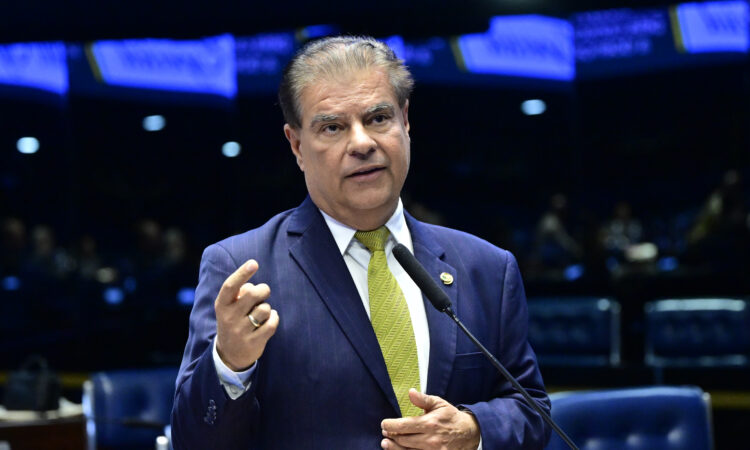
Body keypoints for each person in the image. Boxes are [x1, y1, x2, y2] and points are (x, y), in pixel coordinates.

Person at [172, 36, 550, 449]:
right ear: (297, 145)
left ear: (405, 121)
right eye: (333, 127)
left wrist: (473, 431)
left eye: (378, 118)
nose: (362, 143)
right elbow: (192, 441)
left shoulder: (486, 267)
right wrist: (229, 364)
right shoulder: (242, 269)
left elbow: (531, 410)